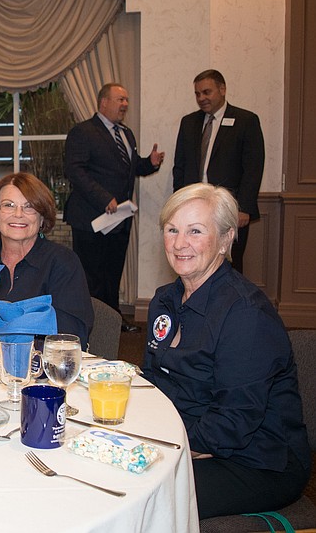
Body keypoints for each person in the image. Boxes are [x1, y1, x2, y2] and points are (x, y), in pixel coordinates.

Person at [144, 183, 309, 519]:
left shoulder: (246, 314)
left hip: (257, 460)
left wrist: (162, 448)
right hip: (188, 438)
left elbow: (234, 421)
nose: (180, 243)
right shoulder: (165, 300)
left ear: (225, 239)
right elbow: (152, 382)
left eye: (195, 231)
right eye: (172, 230)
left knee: (146, 498)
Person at [63, 83, 164, 333]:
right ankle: (91, 324)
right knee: (92, 277)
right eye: (120, 99)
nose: (125, 104)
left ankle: (112, 321)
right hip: (90, 218)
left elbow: (129, 168)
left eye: (126, 100)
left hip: (119, 219)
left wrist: (149, 164)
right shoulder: (83, 131)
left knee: (112, 273)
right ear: (104, 102)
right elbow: (74, 170)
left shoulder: (126, 133)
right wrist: (103, 198)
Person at [0, 173, 93, 346]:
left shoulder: (63, 263)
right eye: (8, 205)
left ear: (41, 218)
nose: (18, 214)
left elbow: (73, 333)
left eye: (29, 207)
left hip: (42, 361)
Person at [172, 69, 265, 273]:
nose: (201, 98)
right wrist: (179, 203)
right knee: (193, 261)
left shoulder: (246, 120)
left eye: (206, 92)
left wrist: (244, 207)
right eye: (197, 94)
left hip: (229, 208)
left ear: (222, 89)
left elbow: (253, 167)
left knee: (229, 264)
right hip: (194, 206)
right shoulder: (188, 122)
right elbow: (179, 167)